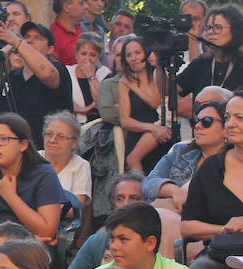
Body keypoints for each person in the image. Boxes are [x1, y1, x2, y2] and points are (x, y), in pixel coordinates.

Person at [180, 92, 243, 269]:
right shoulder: (211, 168)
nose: (231, 123)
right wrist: (223, 229)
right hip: (221, 252)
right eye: (228, 117)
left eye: (240, 117)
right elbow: (187, 227)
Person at [0, 113, 63, 245]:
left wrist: (11, 196)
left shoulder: (45, 175)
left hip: (33, 247)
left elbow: (46, 232)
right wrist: (15, 239)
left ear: (23, 145)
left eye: (4, 139)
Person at [0, 22, 72, 148]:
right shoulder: (12, 77)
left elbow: (47, 74)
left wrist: (18, 42)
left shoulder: (58, 69)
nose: (30, 41)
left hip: (50, 150)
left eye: (38, 38)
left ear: (50, 49)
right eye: (27, 37)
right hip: (16, 151)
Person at [144, 99, 227, 210]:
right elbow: (148, 183)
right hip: (168, 214)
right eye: (195, 121)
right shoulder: (181, 151)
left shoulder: (235, 160)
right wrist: (175, 191)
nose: (197, 126)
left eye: (207, 121)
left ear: (226, 127)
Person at [117, 37, 173, 173]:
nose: (133, 58)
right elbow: (125, 121)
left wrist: (135, 87)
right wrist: (152, 128)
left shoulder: (157, 74)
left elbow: (156, 102)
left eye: (137, 53)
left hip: (162, 136)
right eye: (128, 55)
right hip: (138, 137)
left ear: (146, 54)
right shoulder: (124, 83)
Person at [177, 4, 243, 118]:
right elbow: (169, 89)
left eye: (217, 27)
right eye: (208, 28)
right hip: (204, 128)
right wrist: (160, 60)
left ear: (234, 30)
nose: (211, 32)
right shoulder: (201, 63)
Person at [39, 111, 91, 238]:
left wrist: (37, 205)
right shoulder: (31, 160)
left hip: (61, 232)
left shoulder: (81, 166)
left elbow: (75, 209)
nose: (52, 140)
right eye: (49, 134)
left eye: (61, 137)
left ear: (74, 143)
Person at [70, 35, 110, 124]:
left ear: (98, 57)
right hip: (73, 124)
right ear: (76, 54)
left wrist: (91, 76)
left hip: (98, 125)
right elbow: (60, 98)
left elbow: (103, 101)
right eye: (83, 54)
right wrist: (82, 109)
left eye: (92, 55)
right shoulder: (67, 72)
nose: (87, 58)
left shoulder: (104, 73)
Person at [49, 0, 86, 66]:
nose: (86, 7)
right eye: (81, 3)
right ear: (67, 7)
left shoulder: (83, 30)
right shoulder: (53, 37)